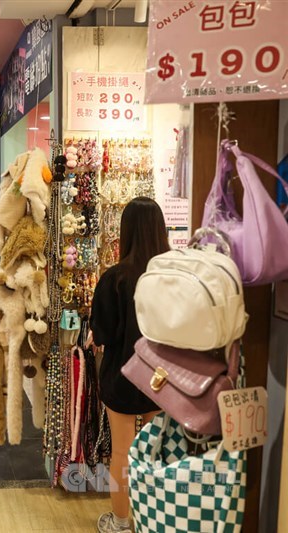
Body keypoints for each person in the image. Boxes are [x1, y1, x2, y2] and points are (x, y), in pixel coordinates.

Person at [90, 197, 169, 533]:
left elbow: (102, 333)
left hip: (122, 374)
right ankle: (153, 521)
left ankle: (121, 523)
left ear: (125, 232)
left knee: (122, 451)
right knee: (155, 451)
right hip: (163, 379)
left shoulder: (116, 278)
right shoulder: (173, 275)